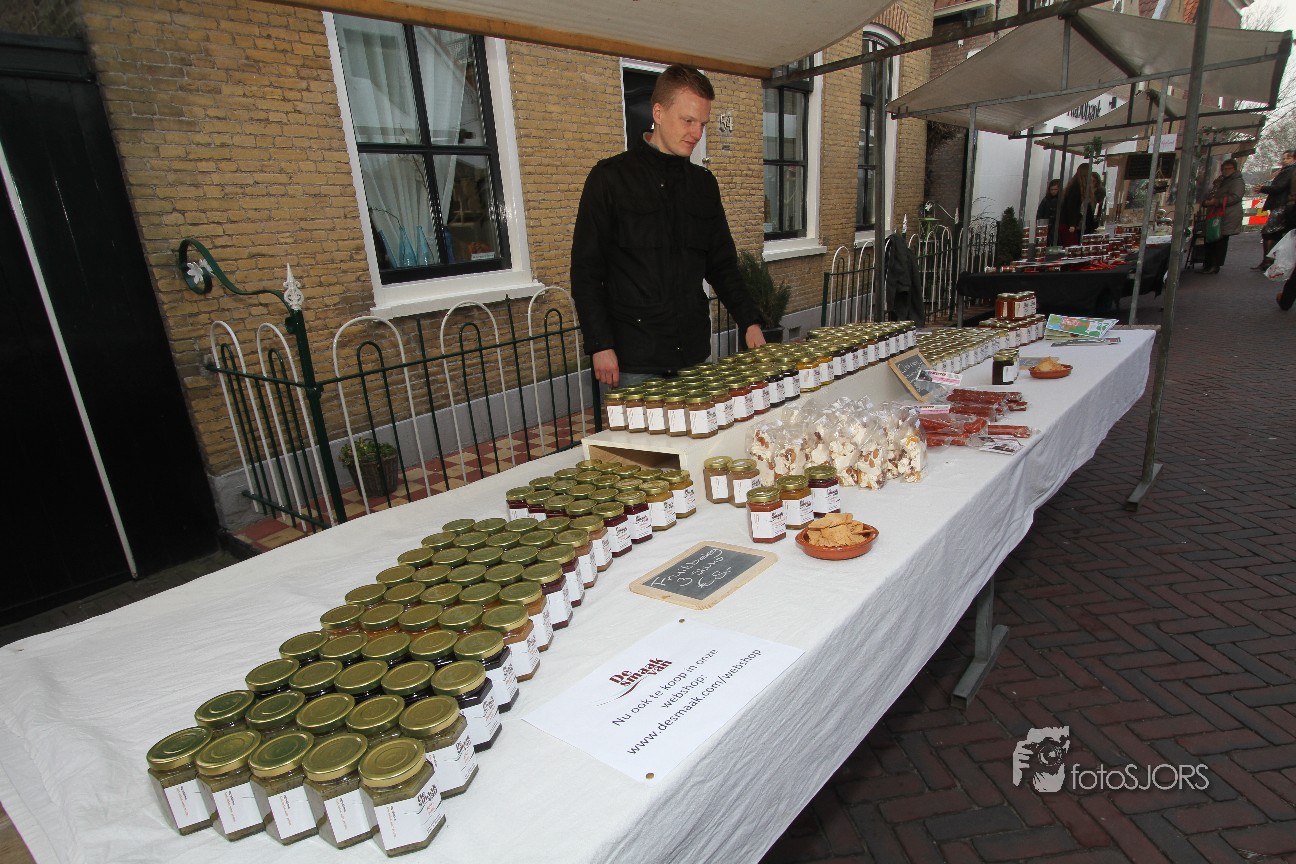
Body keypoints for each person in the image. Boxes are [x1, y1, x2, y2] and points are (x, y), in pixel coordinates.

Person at [570, 65, 765, 390]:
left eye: (702, 124)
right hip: (634, 361)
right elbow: (586, 270)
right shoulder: (610, 179)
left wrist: (750, 320)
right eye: (688, 121)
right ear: (658, 112)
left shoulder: (703, 185)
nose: (697, 133)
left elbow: (722, 265)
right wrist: (600, 343)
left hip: (694, 356)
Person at [1199, 158, 1244, 275]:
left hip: (1225, 215)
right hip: (1216, 213)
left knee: (1219, 240)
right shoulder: (1221, 180)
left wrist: (1216, 201)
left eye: (1229, 169)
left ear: (1234, 169)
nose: (1226, 171)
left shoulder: (1237, 181)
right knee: (1211, 239)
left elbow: (1236, 197)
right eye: (1224, 169)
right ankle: (1209, 264)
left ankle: (1215, 265)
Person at [1253, 149, 1296, 270]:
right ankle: (1270, 260)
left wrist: (1263, 188)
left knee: (1269, 232)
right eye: (1283, 158)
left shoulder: (1289, 171)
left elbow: (1279, 187)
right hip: (1283, 205)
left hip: (1281, 205)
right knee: (1275, 233)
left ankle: (1269, 261)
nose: (1284, 160)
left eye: (1288, 158)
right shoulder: (1286, 171)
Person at [1057, 164, 1104, 246]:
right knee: (1072, 246)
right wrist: (1072, 224)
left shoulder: (1076, 186)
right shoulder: (1076, 187)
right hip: (1070, 224)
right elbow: (1072, 207)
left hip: (1073, 223)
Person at [1035, 179, 1061, 246]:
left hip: (1056, 227)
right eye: (1051, 189)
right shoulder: (1046, 200)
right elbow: (1040, 213)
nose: (1053, 191)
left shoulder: (1062, 200)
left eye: (1055, 189)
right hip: (1046, 226)